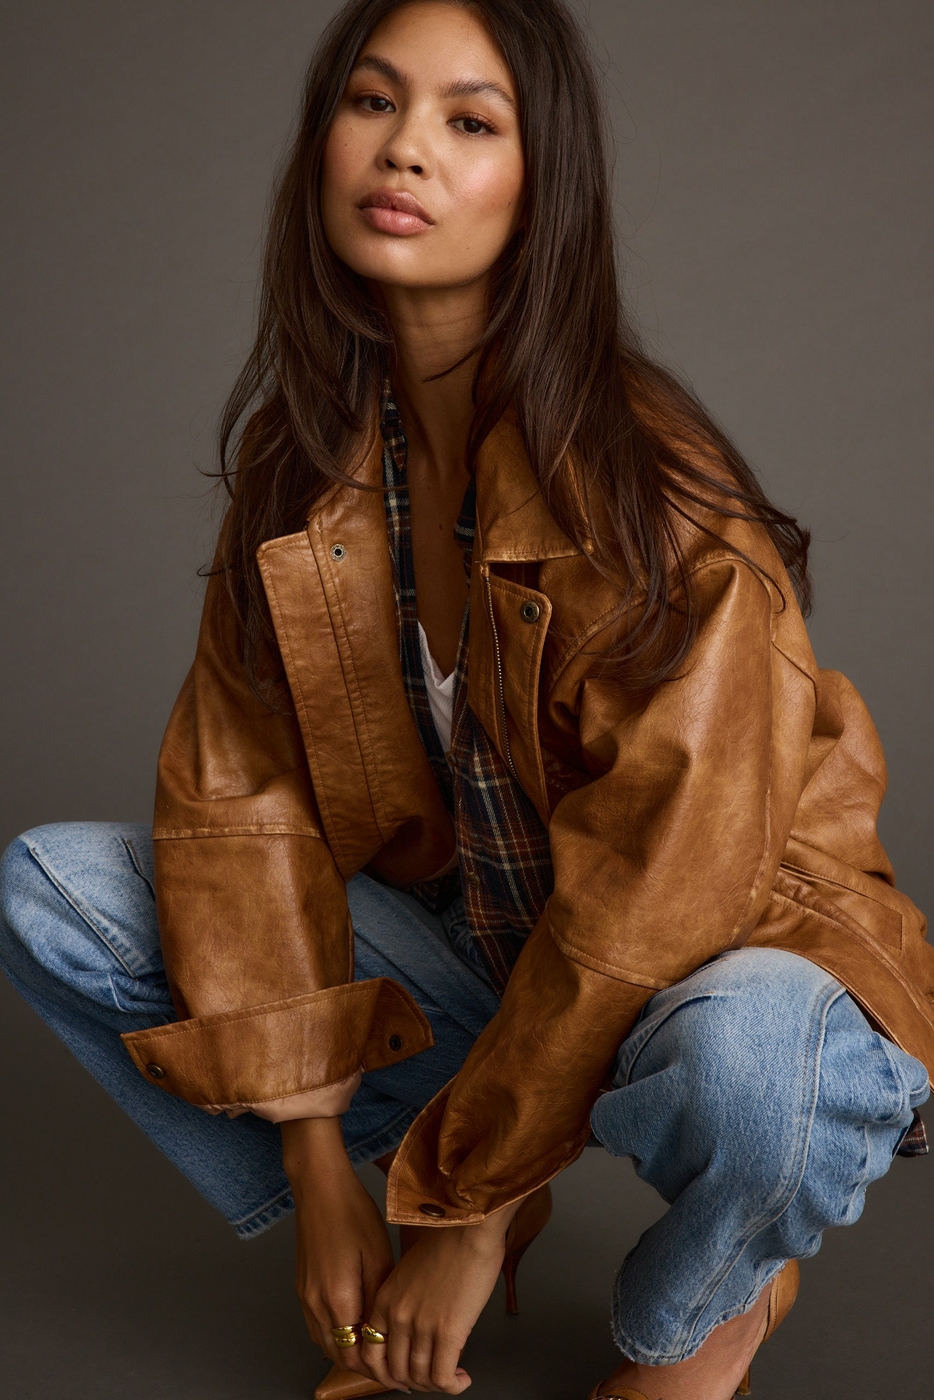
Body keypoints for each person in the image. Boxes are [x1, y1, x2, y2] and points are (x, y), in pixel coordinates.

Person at [1, 1, 931, 1397]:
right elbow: (237, 810)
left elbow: (660, 900)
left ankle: (713, 1305)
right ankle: (437, 1180)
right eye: (373, 102)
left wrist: (467, 1211)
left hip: (716, 959)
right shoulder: (305, 461)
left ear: (542, 188)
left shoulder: (650, 492)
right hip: (492, 953)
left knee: (757, 1071)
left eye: (470, 120)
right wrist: (320, 1166)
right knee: (55, 894)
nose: (406, 150)